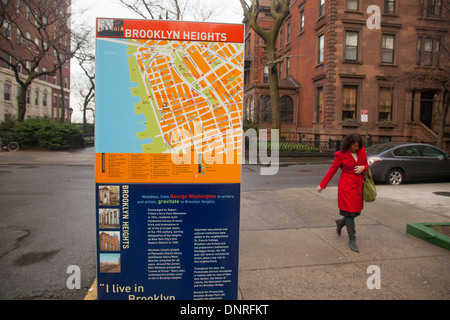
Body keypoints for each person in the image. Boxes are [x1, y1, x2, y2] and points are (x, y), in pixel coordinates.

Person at [317, 134, 369, 253]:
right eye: (354, 146)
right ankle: (352, 239)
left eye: (357, 146)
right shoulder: (341, 155)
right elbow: (332, 170)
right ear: (348, 145)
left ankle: (341, 222)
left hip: (358, 186)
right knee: (350, 213)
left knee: (356, 212)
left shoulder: (362, 151)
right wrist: (322, 185)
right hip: (346, 186)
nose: (356, 148)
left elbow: (366, 164)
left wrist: (363, 167)